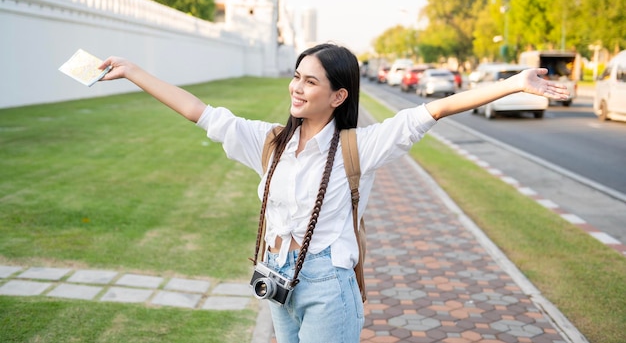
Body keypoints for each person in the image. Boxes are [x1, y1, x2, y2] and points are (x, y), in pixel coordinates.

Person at [99, 43, 568, 343]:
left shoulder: (359, 146)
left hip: (328, 286)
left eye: (310, 81)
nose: (296, 88)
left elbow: (433, 110)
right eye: (296, 76)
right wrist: (134, 70)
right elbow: (197, 111)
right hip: (276, 279)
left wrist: (512, 83)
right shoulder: (267, 142)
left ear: (338, 96)